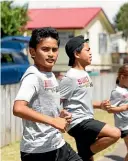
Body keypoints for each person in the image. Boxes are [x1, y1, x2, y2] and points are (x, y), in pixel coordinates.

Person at [13, 27, 82, 161]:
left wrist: (60, 115)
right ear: (32, 52)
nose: (51, 54)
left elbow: (44, 106)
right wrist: (53, 121)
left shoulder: (49, 75)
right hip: (38, 152)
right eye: (45, 49)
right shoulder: (33, 76)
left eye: (54, 50)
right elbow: (18, 108)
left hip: (57, 144)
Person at [59, 35, 121, 161]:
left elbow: (83, 100)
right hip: (78, 122)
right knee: (115, 133)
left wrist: (101, 106)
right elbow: (55, 100)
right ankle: (84, 152)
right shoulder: (70, 77)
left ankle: (83, 154)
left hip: (86, 119)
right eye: (87, 50)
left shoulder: (85, 74)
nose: (91, 53)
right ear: (76, 54)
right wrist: (60, 114)